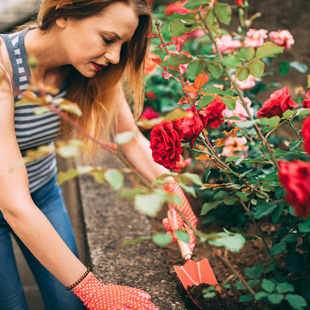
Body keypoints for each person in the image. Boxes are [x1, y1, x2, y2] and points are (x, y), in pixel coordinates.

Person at [0, 0, 198, 309]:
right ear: (63, 14)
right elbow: (14, 205)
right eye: (108, 39)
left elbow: (129, 138)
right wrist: (93, 289)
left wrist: (173, 191)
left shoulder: (85, 66)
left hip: (43, 193)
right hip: (14, 203)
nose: (116, 56)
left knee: (69, 304)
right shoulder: (4, 67)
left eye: (122, 44)